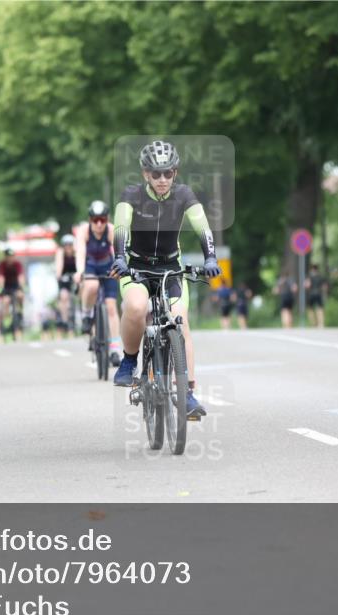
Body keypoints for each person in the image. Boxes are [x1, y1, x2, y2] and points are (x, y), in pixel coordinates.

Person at [109, 140, 220, 419]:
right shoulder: (131, 195)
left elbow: (203, 227)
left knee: (180, 323)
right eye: (155, 174)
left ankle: (188, 393)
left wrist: (210, 258)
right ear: (145, 173)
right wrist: (120, 258)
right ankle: (129, 359)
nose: (161, 179)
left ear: (175, 173)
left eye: (167, 173)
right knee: (135, 307)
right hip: (136, 266)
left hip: (171, 266)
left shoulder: (184, 195)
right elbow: (121, 227)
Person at [76, 200, 122, 365]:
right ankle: (87, 314)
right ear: (90, 220)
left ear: (106, 218)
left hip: (107, 265)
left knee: (111, 306)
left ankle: (115, 349)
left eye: (102, 219)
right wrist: (79, 271)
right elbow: (80, 252)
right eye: (95, 220)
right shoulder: (83, 231)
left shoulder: (110, 230)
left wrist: (119, 268)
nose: (99, 224)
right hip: (90, 266)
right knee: (91, 285)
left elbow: (117, 252)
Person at [0, 248, 25, 341]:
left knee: (20, 295)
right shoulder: (2, 265)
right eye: (8, 257)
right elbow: (1, 278)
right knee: (6, 301)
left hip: (15, 285)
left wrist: (21, 287)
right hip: (6, 287)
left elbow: (20, 277)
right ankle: (7, 319)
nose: (10, 258)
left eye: (11, 256)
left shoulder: (17, 264)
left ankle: (20, 310)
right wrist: (1, 289)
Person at [54, 233, 77, 338]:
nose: (68, 247)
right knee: (64, 297)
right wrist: (58, 275)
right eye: (66, 245)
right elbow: (58, 267)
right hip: (64, 280)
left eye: (70, 245)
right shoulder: (60, 253)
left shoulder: (76, 253)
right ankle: (64, 320)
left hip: (76, 279)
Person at [304, 263, 328, 328]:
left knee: (310, 308)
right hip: (319, 294)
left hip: (311, 294)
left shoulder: (309, 277)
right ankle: (321, 323)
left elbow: (307, 285)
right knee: (320, 308)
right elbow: (324, 287)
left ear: (311, 269)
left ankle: (313, 323)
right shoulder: (321, 276)